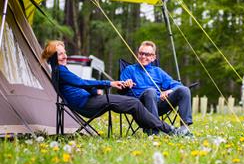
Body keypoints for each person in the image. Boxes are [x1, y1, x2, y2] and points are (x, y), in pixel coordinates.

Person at [41, 40, 182, 136]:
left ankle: (152, 128)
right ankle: (169, 129)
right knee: (134, 103)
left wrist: (94, 90)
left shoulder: (59, 70)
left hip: (90, 100)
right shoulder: (60, 71)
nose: (65, 56)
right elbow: (81, 82)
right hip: (87, 105)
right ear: (52, 57)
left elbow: (79, 85)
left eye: (65, 52)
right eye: (60, 54)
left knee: (134, 104)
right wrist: (110, 83)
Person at [120, 41, 192, 135]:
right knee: (151, 91)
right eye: (141, 53)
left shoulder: (158, 71)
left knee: (184, 90)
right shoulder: (129, 70)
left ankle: (184, 128)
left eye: (147, 54)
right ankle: (154, 131)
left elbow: (178, 85)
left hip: (159, 105)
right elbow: (120, 89)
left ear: (153, 57)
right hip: (140, 106)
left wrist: (168, 91)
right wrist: (125, 84)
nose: (143, 56)